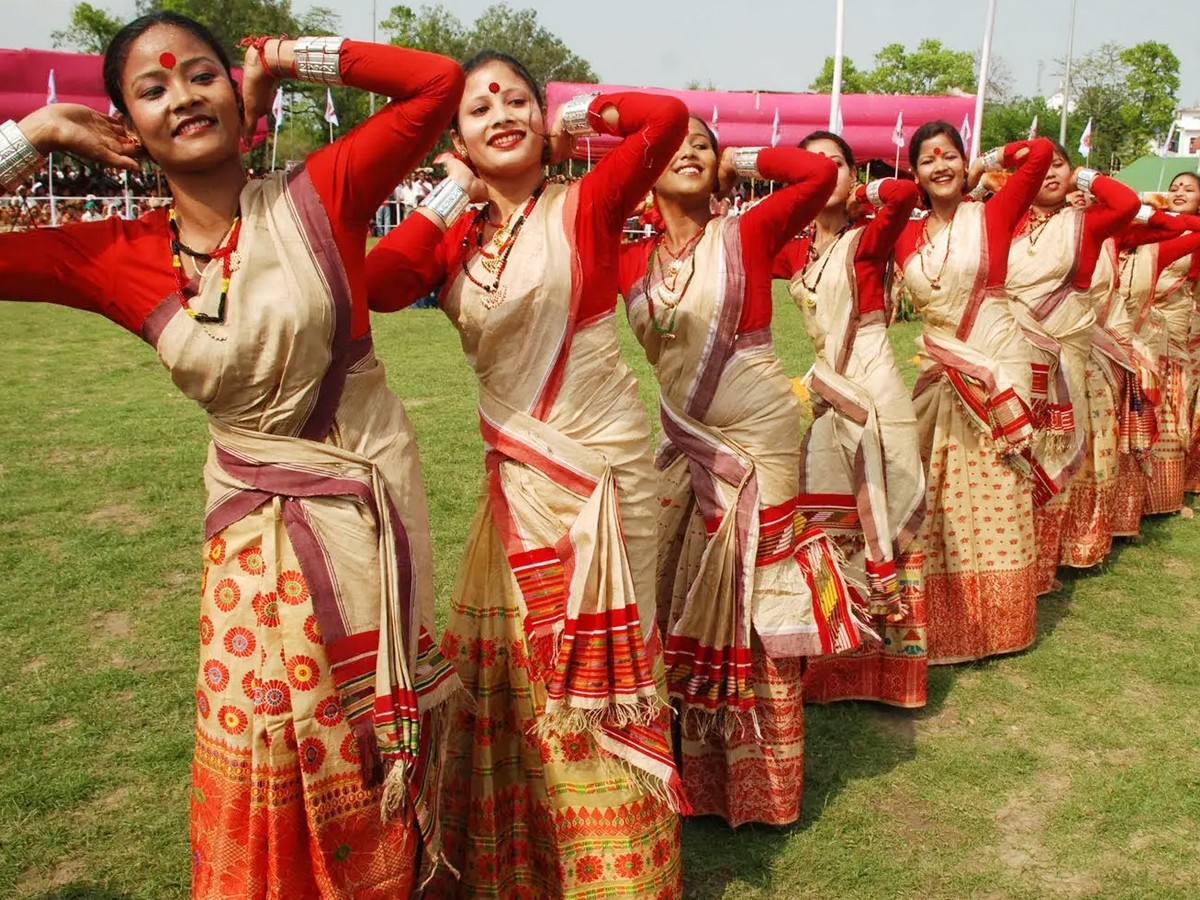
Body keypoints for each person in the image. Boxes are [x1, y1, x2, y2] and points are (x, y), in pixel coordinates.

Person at [0, 13, 464, 897]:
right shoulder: (116, 255)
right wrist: (35, 133)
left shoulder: (321, 194)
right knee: (264, 741)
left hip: (365, 524)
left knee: (378, 749)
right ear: (126, 126)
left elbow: (437, 82)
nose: (182, 97)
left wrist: (293, 57)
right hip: (252, 554)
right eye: (152, 89)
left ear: (236, 92)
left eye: (200, 74)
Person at [366, 52, 689, 897]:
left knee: (605, 670)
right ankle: (531, 858)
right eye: (478, 108)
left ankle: (619, 877)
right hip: (517, 477)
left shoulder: (586, 206)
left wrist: (584, 115)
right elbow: (380, 282)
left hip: (604, 481)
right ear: (460, 141)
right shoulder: (457, 244)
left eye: (517, 99)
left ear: (545, 125)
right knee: (522, 671)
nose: (500, 111)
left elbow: (665, 120)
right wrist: (448, 196)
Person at [617, 119, 867, 827]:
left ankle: (762, 784)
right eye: (672, 144)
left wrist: (740, 158)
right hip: (687, 442)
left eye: (701, 141)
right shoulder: (626, 260)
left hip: (760, 442)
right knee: (679, 580)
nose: (690, 151)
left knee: (760, 593)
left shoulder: (749, 232)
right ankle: (686, 759)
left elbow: (816, 177)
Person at [773, 130, 929, 709]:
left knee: (884, 507)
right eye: (810, 165)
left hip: (875, 390)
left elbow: (908, 193)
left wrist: (866, 194)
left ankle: (893, 672)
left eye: (834, 164)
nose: (823, 173)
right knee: (830, 517)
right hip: (829, 393)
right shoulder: (796, 250)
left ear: (853, 173)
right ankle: (833, 658)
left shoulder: (868, 238)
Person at [894, 123, 1054, 665]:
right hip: (944, 366)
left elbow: (1041, 155)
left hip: (995, 360)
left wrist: (991, 157)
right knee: (935, 484)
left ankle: (1000, 622)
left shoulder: (992, 214)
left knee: (996, 481)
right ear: (914, 172)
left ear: (965, 166)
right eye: (926, 159)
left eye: (949, 156)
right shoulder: (904, 235)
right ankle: (943, 613)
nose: (939, 166)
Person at [1004, 143, 1140, 587]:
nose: (1046, 173)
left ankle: (1043, 566)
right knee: (1011, 448)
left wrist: (1083, 176)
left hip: (1063, 352)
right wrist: (1006, 162)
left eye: (1056, 165)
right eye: (1036, 168)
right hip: (1008, 350)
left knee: (1053, 447)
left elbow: (1129, 204)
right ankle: (1004, 553)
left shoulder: (1086, 223)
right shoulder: (1002, 220)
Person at [1113, 193, 1200, 529]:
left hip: (1150, 340)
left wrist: (1151, 206)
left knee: (1147, 418)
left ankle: (1147, 504)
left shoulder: (1157, 251)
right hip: (1102, 345)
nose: (1179, 192)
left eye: (1188, 189)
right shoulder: (1099, 241)